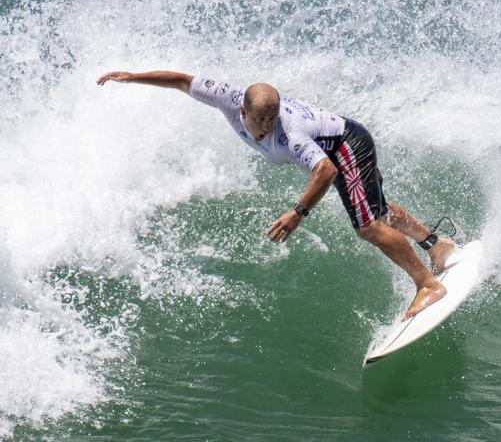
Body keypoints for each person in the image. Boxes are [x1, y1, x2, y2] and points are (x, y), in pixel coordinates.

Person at [96, 70, 456, 319]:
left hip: (345, 146)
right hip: (339, 142)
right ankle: (437, 246)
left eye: (272, 119)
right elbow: (182, 81)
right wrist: (132, 77)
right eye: (260, 120)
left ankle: (427, 284)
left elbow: (326, 171)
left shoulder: (292, 133)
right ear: (243, 110)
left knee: (368, 227)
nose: (266, 127)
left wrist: (297, 212)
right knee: (373, 210)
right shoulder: (227, 98)